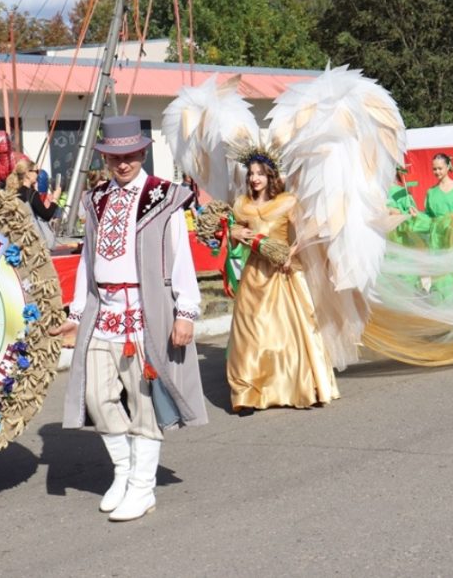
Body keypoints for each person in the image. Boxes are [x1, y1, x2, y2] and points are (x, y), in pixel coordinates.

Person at [51, 115, 205, 522]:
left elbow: (180, 256)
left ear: (142, 152)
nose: (123, 163)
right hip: (104, 314)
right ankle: (123, 471)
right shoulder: (96, 199)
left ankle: (142, 486)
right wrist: (77, 313)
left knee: (143, 403)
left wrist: (186, 309)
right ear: (105, 157)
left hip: (145, 313)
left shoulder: (164, 197)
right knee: (96, 396)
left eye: (131, 154)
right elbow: (87, 258)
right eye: (115, 156)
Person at [226, 154, 339, 415]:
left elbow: (306, 232)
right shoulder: (241, 204)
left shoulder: (287, 202)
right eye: (251, 174)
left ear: (270, 176)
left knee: (286, 332)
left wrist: (291, 252)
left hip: (282, 271)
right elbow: (233, 237)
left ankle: (299, 387)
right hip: (254, 273)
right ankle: (247, 392)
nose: (254, 178)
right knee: (249, 334)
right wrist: (234, 233)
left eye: (260, 174)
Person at [411, 153, 453, 300]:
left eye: (440, 168)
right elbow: (430, 219)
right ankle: (442, 310)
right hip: (437, 241)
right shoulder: (431, 192)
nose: (437, 172)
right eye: (434, 169)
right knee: (439, 277)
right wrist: (417, 215)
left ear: (448, 167)